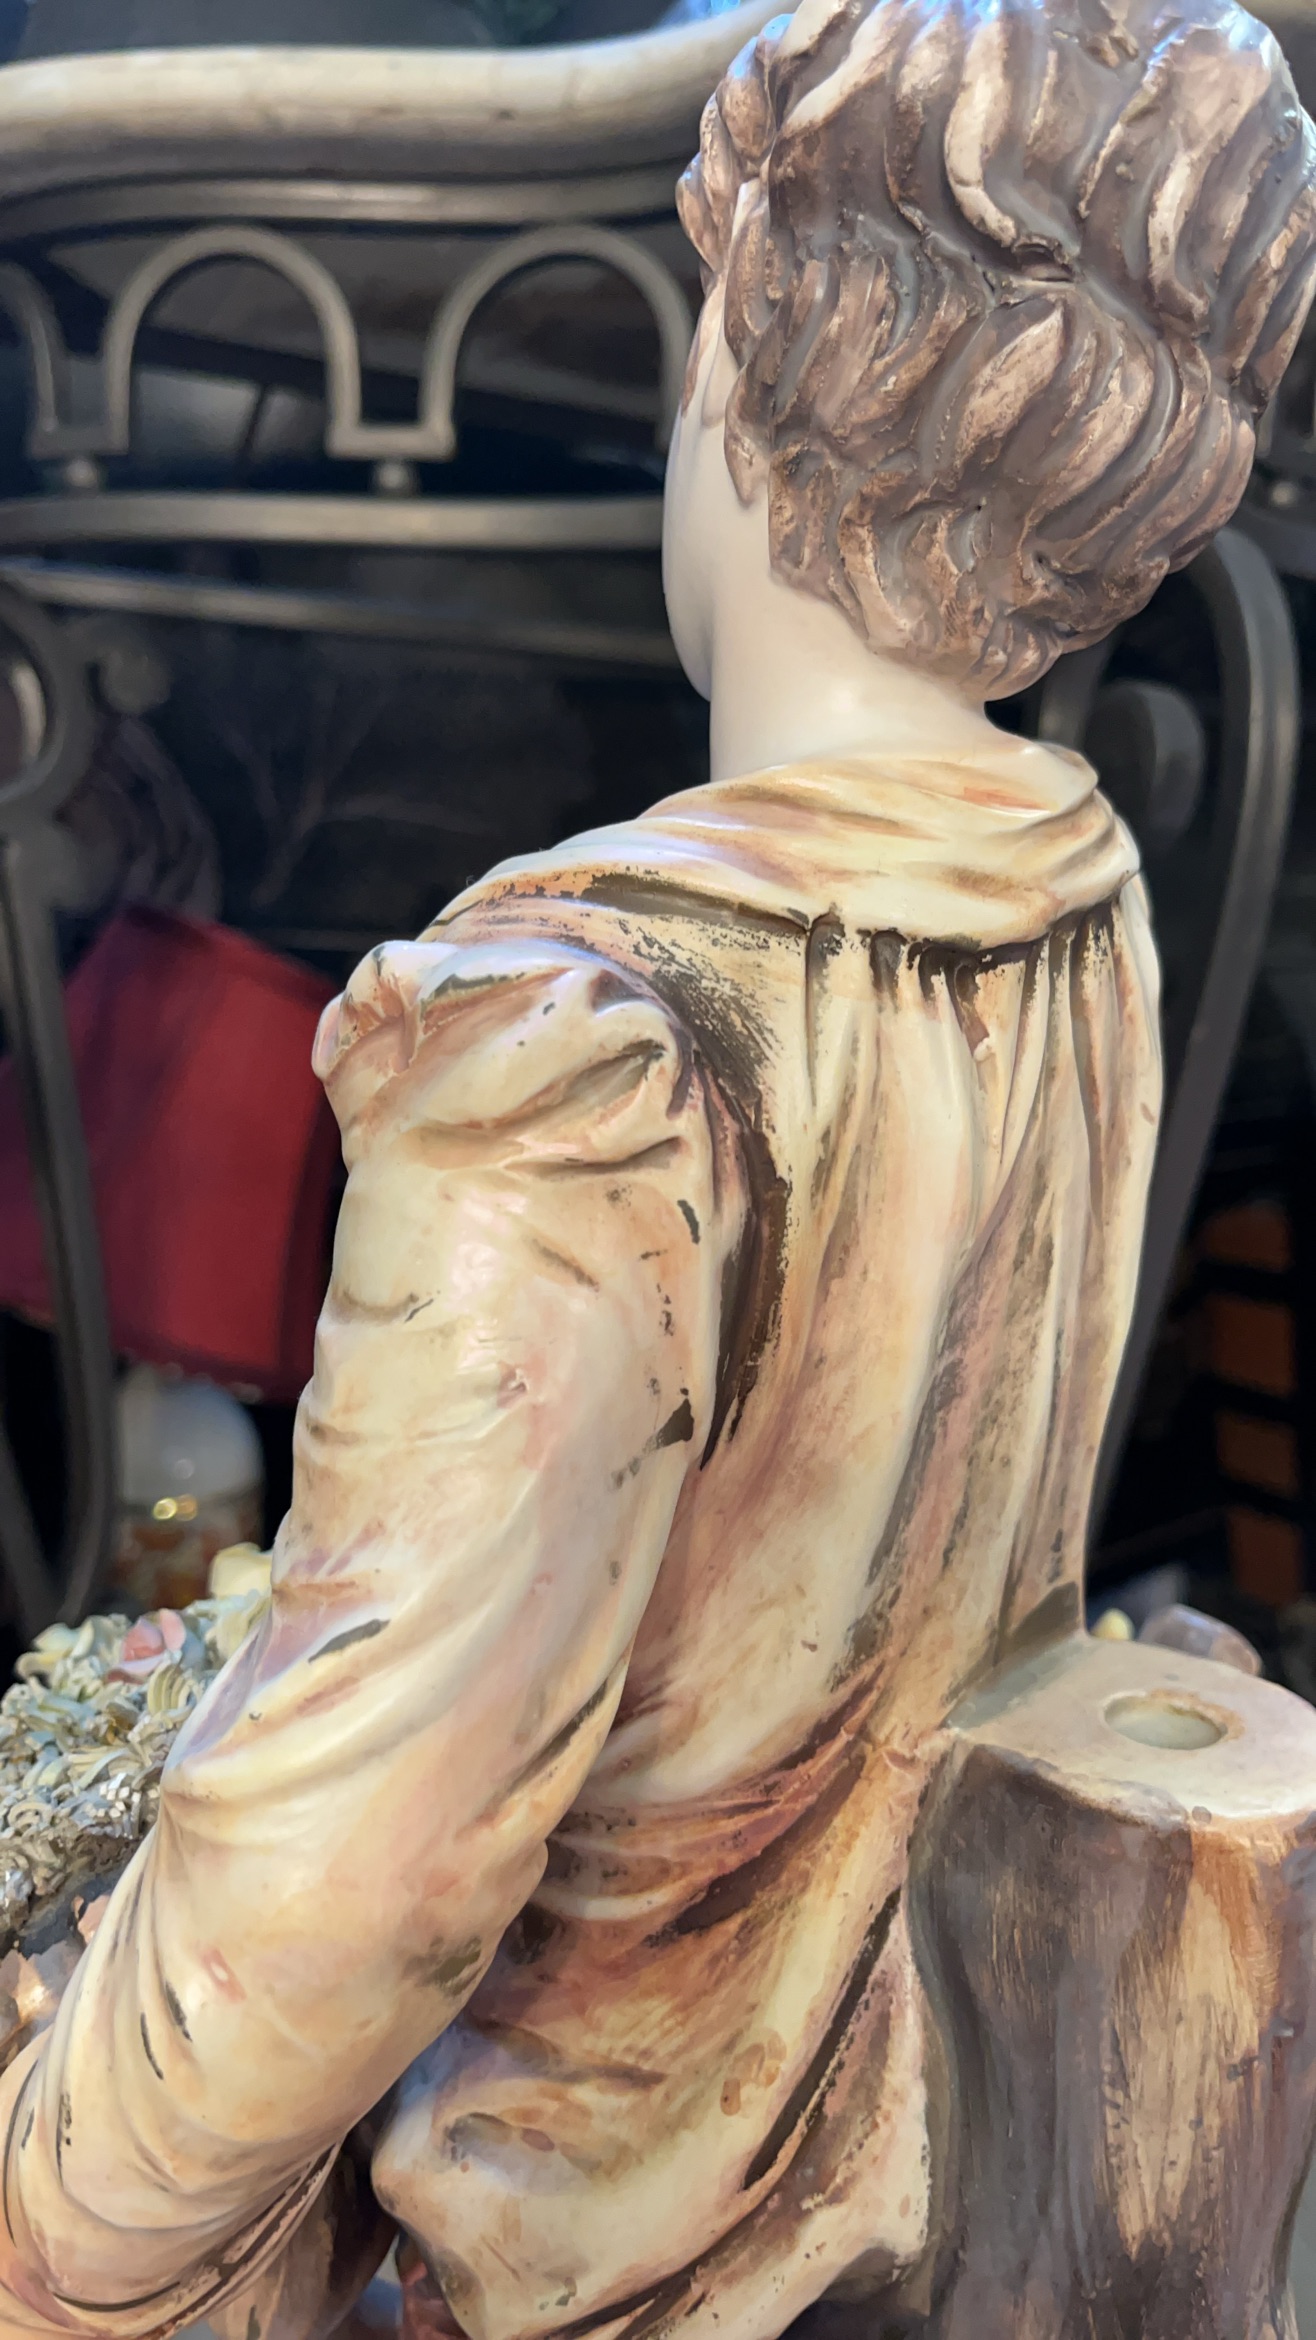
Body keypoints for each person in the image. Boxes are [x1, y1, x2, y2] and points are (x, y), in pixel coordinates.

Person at [1, 0, 1314, 2334]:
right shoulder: (1069, 887)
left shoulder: (568, 1041)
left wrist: (50, 2222)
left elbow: (354, 1874)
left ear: (749, 374)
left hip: (571, 2245)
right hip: (879, 2143)